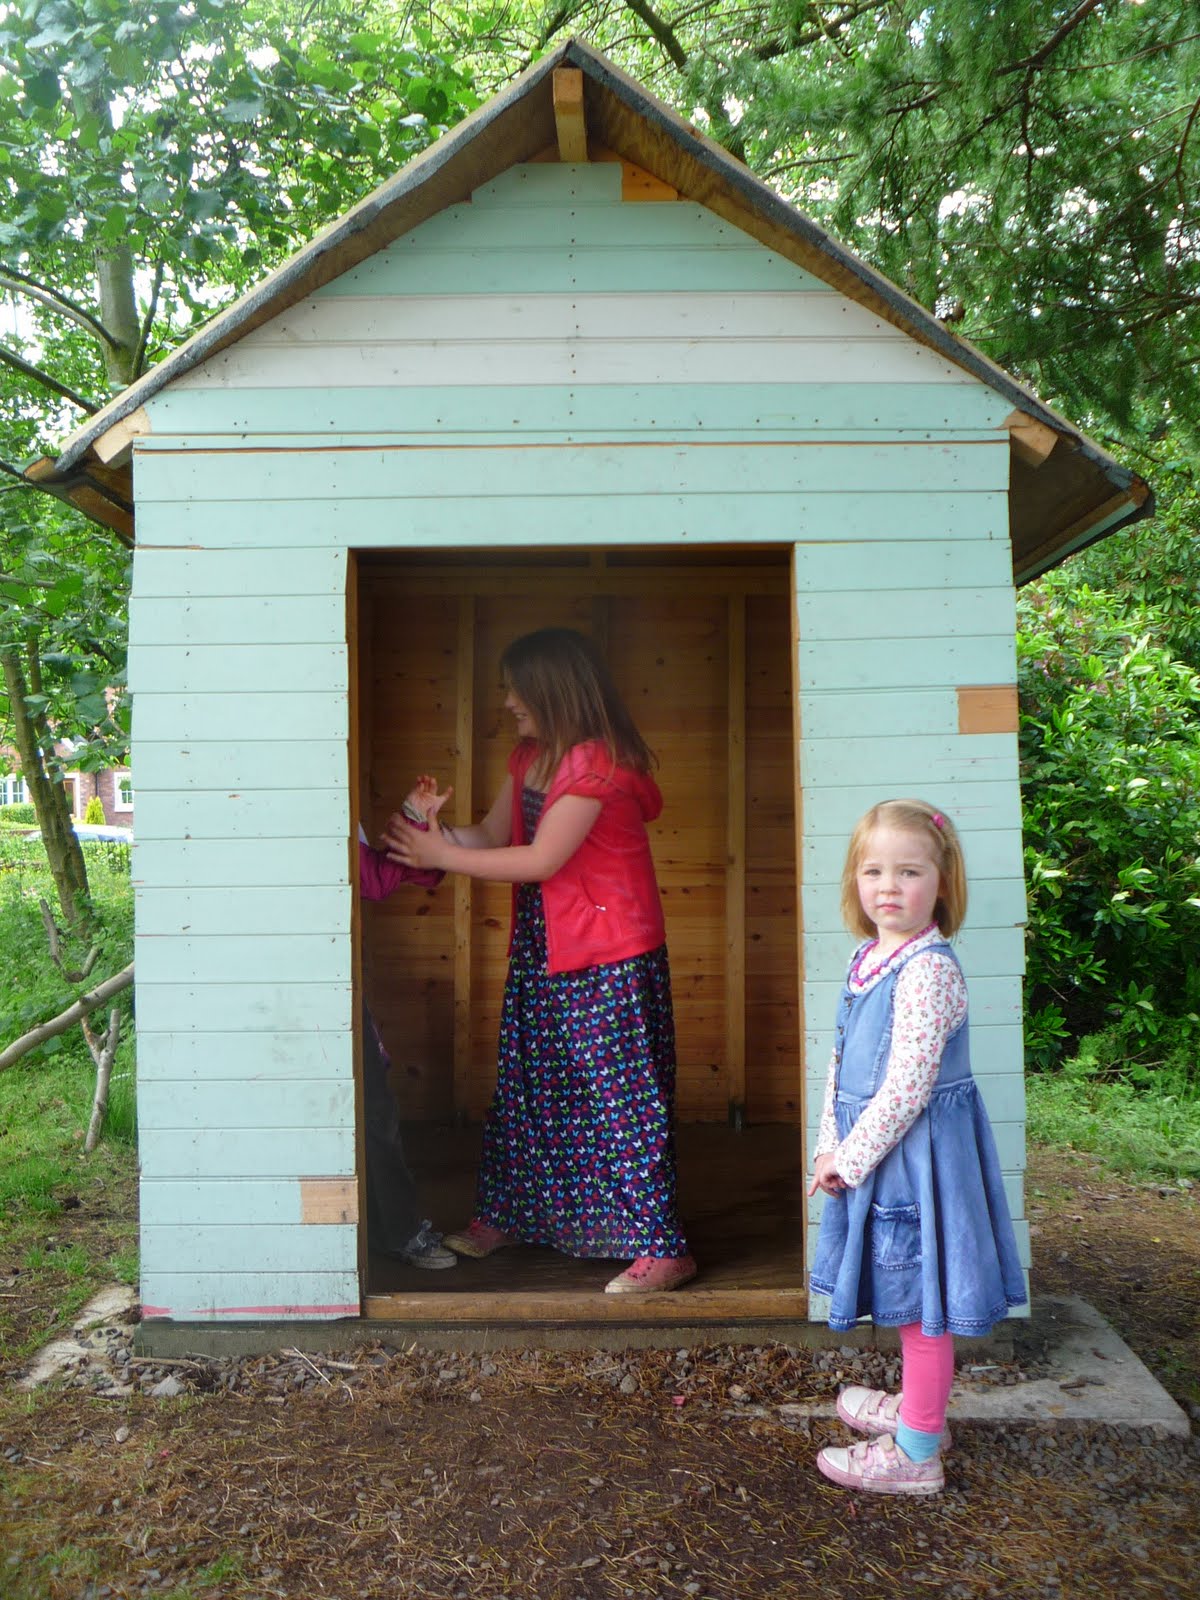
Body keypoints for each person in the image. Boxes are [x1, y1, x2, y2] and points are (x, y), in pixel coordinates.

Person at [384, 627, 696, 1296]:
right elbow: (491, 836)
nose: (507, 702)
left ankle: (663, 1249)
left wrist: (442, 856)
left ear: (552, 691)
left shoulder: (595, 765)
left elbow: (541, 860)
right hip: (546, 944)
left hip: (609, 953)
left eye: (516, 689)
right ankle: (511, 1216)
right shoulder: (532, 757)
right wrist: (432, 834)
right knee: (530, 1085)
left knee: (621, 1101)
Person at [807, 799, 1026, 1495]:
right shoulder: (867, 958)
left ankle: (917, 1450)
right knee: (902, 1291)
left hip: (919, 1164)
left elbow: (906, 1088)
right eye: (873, 871)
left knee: (922, 1300)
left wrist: (850, 1159)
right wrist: (827, 1144)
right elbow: (841, 1065)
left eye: (909, 871)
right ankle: (919, 1411)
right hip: (878, 1155)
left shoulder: (928, 970)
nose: (889, 887)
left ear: (942, 881)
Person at [357, 777, 456, 1270]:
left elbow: (377, 876)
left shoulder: (329, 801)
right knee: (373, 1110)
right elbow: (374, 880)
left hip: (333, 985)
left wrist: (415, 821)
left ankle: (392, 1230)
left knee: (374, 1108)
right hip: (297, 984)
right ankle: (393, 1231)